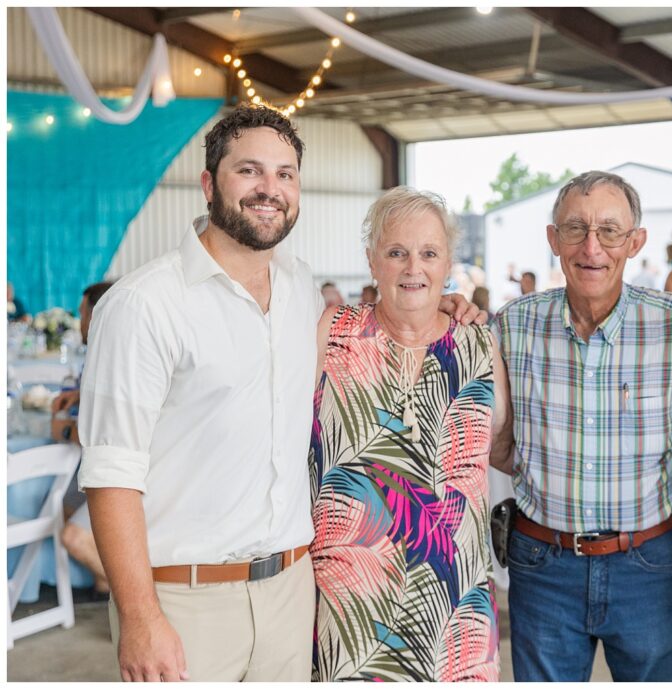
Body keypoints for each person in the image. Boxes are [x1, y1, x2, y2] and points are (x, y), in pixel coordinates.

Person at [78, 105, 482, 682]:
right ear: (208, 184)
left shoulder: (300, 288)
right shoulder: (146, 304)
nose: (270, 189)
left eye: (285, 174)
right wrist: (141, 617)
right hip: (187, 599)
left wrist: (434, 301)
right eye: (249, 171)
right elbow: (110, 473)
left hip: (293, 594)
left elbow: (387, 327)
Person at [491, 171, 672, 682]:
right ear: (553, 239)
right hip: (542, 564)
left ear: (635, 241)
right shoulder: (511, 325)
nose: (591, 247)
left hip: (647, 565)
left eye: (610, 231)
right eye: (575, 229)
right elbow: (499, 445)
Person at [310, 187, 508, 681]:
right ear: (372, 260)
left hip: (455, 607)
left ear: (448, 264)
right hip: (349, 609)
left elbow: (499, 444)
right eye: (396, 252)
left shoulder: (481, 343)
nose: (413, 268)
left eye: (428, 253)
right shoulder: (333, 332)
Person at [50, 281, 115, 600]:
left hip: (130, 474)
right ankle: (101, 584)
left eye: (82, 313)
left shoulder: (110, 359)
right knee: (60, 500)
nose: (80, 321)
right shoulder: (106, 351)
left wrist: (61, 431)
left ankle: (143, 600)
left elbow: (98, 431)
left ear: (97, 314)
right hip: (103, 467)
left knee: (72, 534)